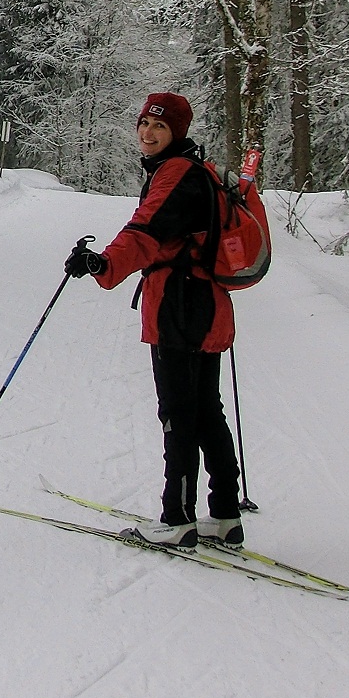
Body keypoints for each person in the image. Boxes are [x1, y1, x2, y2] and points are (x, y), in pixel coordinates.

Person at [63, 92, 244, 549]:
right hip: (205, 303)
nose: (148, 132)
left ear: (177, 133)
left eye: (159, 127)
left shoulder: (176, 174)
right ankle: (224, 514)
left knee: (178, 414)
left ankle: (178, 517)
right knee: (205, 410)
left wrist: (102, 265)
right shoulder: (196, 170)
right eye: (144, 123)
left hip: (180, 306)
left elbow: (145, 229)